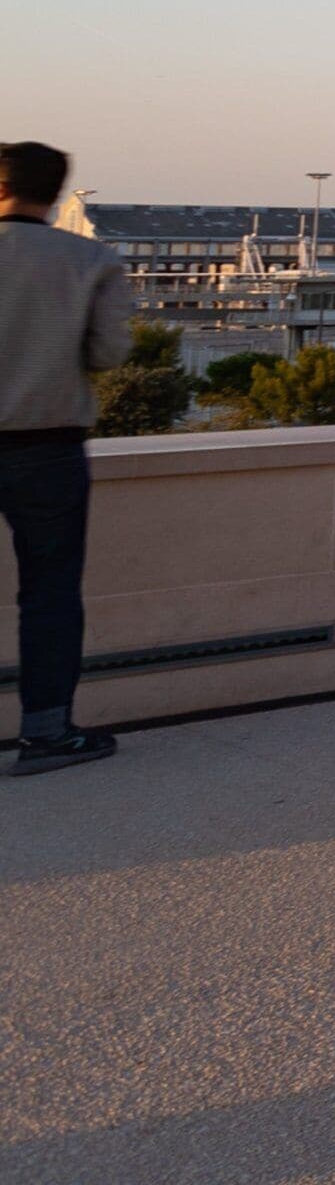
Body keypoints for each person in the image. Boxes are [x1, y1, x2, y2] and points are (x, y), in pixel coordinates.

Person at [1, 142, 127, 777]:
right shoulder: (90, 260)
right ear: (54, 194)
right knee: (49, 594)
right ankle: (46, 734)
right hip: (46, 448)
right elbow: (108, 354)